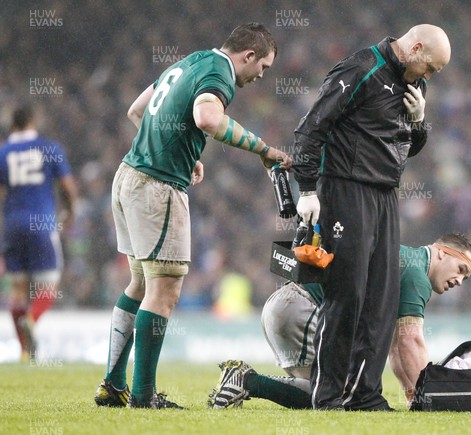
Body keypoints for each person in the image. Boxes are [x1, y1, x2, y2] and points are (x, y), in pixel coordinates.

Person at [94, 22, 291, 410]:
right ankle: (143, 395)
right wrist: (263, 149)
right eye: (263, 67)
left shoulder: (190, 62)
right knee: (163, 291)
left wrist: (184, 151)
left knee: (138, 283)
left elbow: (138, 110)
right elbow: (207, 119)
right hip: (158, 188)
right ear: (248, 56)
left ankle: (113, 385)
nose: (261, 76)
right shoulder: (220, 74)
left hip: (128, 177)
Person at [291, 24, 451, 410]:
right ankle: (326, 395)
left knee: (381, 298)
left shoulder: (415, 88)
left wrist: (419, 122)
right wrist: (308, 189)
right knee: (348, 293)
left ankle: (365, 394)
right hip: (345, 189)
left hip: (384, 195)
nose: (428, 77)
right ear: (414, 48)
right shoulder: (360, 68)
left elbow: (404, 149)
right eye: (429, 68)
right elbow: (312, 127)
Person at [208, 233, 471, 410]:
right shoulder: (417, 275)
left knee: (332, 394)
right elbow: (411, 340)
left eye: (466, 278)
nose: (459, 281)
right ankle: (248, 381)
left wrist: (413, 398)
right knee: (342, 395)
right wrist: (431, 400)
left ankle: (243, 381)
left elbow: (397, 349)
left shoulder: (407, 262)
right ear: (442, 253)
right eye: (461, 269)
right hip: (302, 308)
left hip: (288, 305)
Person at [0, 106, 77, 362]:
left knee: (18, 291)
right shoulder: (49, 148)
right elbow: (67, 186)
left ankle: (24, 351)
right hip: (42, 223)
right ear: (33, 122)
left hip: (12, 226)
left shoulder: (3, 152)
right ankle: (31, 321)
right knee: (48, 287)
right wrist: (70, 213)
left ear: (13, 125)